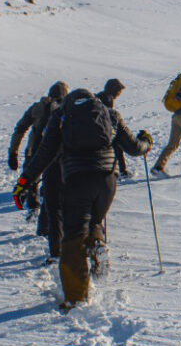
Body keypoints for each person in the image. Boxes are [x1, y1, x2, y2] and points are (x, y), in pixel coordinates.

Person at [13, 88, 153, 311]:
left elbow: (44, 154)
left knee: (73, 237)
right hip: (107, 182)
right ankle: (97, 244)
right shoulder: (110, 114)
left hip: (77, 179)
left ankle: (76, 298)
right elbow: (135, 148)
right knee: (93, 220)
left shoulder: (61, 116)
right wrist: (146, 142)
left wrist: (23, 183)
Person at [8, 81, 69, 230]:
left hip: (34, 150)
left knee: (31, 177)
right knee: (53, 181)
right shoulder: (65, 110)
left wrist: (13, 152)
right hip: (55, 154)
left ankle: (33, 207)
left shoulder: (37, 108)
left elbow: (20, 128)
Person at [95, 78, 130, 177]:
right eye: (119, 91)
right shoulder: (108, 99)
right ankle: (122, 171)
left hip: (98, 129)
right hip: (104, 130)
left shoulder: (101, 96)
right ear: (114, 90)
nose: (119, 93)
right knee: (117, 147)